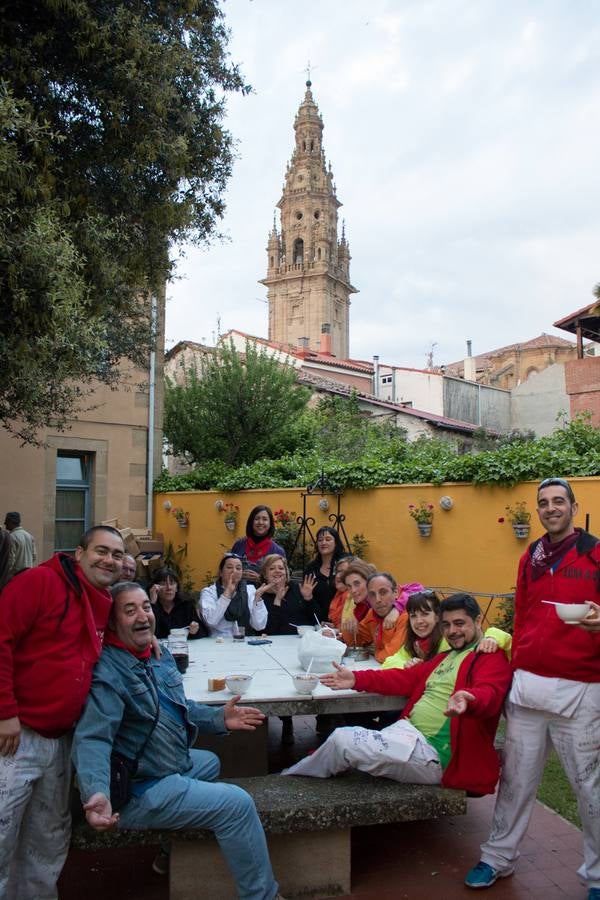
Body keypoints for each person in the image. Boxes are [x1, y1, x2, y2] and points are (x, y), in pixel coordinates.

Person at [72, 582, 283, 900]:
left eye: (145, 607)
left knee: (209, 761)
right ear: (112, 623)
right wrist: (97, 792)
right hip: (135, 789)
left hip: (159, 764)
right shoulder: (109, 673)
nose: (142, 616)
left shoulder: (155, 654)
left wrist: (218, 719)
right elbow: (93, 738)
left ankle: (168, 848)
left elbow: (178, 706)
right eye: (129, 611)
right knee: (237, 805)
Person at [465, 477, 600, 897]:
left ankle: (597, 876)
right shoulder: (532, 557)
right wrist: (513, 665)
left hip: (580, 687)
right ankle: (497, 858)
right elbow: (521, 616)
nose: (551, 508)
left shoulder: (595, 553)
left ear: (574, 507)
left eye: (559, 501)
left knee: (589, 787)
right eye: (544, 502)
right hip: (527, 689)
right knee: (516, 781)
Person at [0, 525, 125, 900]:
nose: (109, 559)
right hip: (16, 737)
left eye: (117, 555)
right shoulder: (39, 582)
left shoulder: (101, 600)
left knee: (48, 840)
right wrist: (5, 711)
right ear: (80, 553)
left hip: (60, 742)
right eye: (101, 551)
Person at [282, 594, 512, 797]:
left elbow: (490, 692)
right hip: (408, 735)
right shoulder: (447, 657)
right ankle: (299, 775)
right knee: (340, 741)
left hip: (434, 754)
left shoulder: (489, 656)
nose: (452, 631)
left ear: (478, 621)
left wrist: (470, 699)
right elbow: (404, 679)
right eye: (446, 625)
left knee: (343, 740)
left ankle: (287, 783)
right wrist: (356, 679)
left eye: (459, 623)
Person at [258, 554, 313, 745]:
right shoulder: (260, 594)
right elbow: (268, 629)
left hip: (296, 647)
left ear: (287, 572)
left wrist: (307, 599)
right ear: (264, 573)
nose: (277, 571)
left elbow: (309, 620)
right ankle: (282, 719)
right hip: (270, 649)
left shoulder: (297, 590)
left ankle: (289, 721)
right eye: (272, 568)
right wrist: (277, 601)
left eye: (281, 568)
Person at [383, 590, 512, 669]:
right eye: (413, 616)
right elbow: (389, 662)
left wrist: (492, 637)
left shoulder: (449, 638)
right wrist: (407, 664)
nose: (419, 621)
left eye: (425, 614)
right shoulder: (416, 643)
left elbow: (498, 637)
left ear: (437, 617)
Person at [339, 572, 408, 663]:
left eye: (383, 592)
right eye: (372, 594)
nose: (378, 599)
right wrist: (348, 629)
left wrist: (375, 652)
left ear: (395, 592)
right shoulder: (372, 614)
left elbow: (390, 655)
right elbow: (357, 642)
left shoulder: (405, 617)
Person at [199, 552, 269, 638]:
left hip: (246, 641)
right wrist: (227, 593)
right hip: (219, 642)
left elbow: (259, 626)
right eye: (229, 567)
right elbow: (211, 621)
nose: (234, 571)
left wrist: (258, 600)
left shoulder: (250, 590)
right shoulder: (209, 592)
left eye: (238, 568)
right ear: (220, 572)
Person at [302, 527, 348, 623]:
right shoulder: (311, 568)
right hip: (319, 622)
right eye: (320, 540)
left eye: (328, 539)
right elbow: (309, 599)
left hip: (344, 620)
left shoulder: (346, 563)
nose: (323, 543)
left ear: (336, 542)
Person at [231, 505, 286, 584]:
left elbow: (282, 582)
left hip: (265, 595)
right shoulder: (239, 545)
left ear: (270, 523)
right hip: (237, 594)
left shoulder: (277, 551)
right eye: (257, 519)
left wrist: (260, 579)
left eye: (265, 519)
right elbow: (227, 570)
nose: (260, 522)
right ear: (251, 522)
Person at [149, 566, 208, 639]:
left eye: (172, 583)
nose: (169, 588)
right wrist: (152, 604)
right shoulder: (150, 606)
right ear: (155, 588)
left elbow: (204, 633)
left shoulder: (186, 605)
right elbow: (149, 633)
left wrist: (195, 631)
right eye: (163, 584)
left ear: (177, 588)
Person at [4, 511, 37, 580]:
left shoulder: (11, 537)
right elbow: (34, 556)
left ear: (11, 522)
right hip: (28, 574)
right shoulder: (29, 536)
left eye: (6, 521)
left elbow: (10, 561)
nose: (5, 523)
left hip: (16, 576)